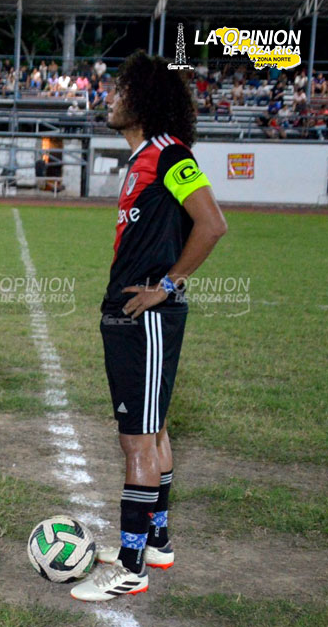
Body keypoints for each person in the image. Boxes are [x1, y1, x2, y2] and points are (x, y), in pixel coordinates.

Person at [71, 51, 227, 602]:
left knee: (136, 439)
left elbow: (213, 223)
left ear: (145, 99)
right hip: (129, 314)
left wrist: (171, 282)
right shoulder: (145, 157)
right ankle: (156, 542)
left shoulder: (169, 155)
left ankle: (131, 566)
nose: (111, 98)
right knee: (154, 431)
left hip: (147, 317)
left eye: (121, 89)